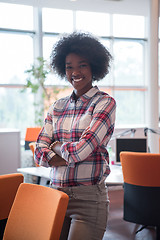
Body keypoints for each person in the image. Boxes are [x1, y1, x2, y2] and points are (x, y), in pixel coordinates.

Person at [35, 31, 116, 240]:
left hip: (88, 200)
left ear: (94, 67)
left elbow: (81, 151)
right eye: (69, 66)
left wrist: (54, 146)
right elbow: (38, 151)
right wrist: (56, 152)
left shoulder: (104, 103)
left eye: (82, 65)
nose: (75, 72)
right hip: (56, 195)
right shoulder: (57, 106)